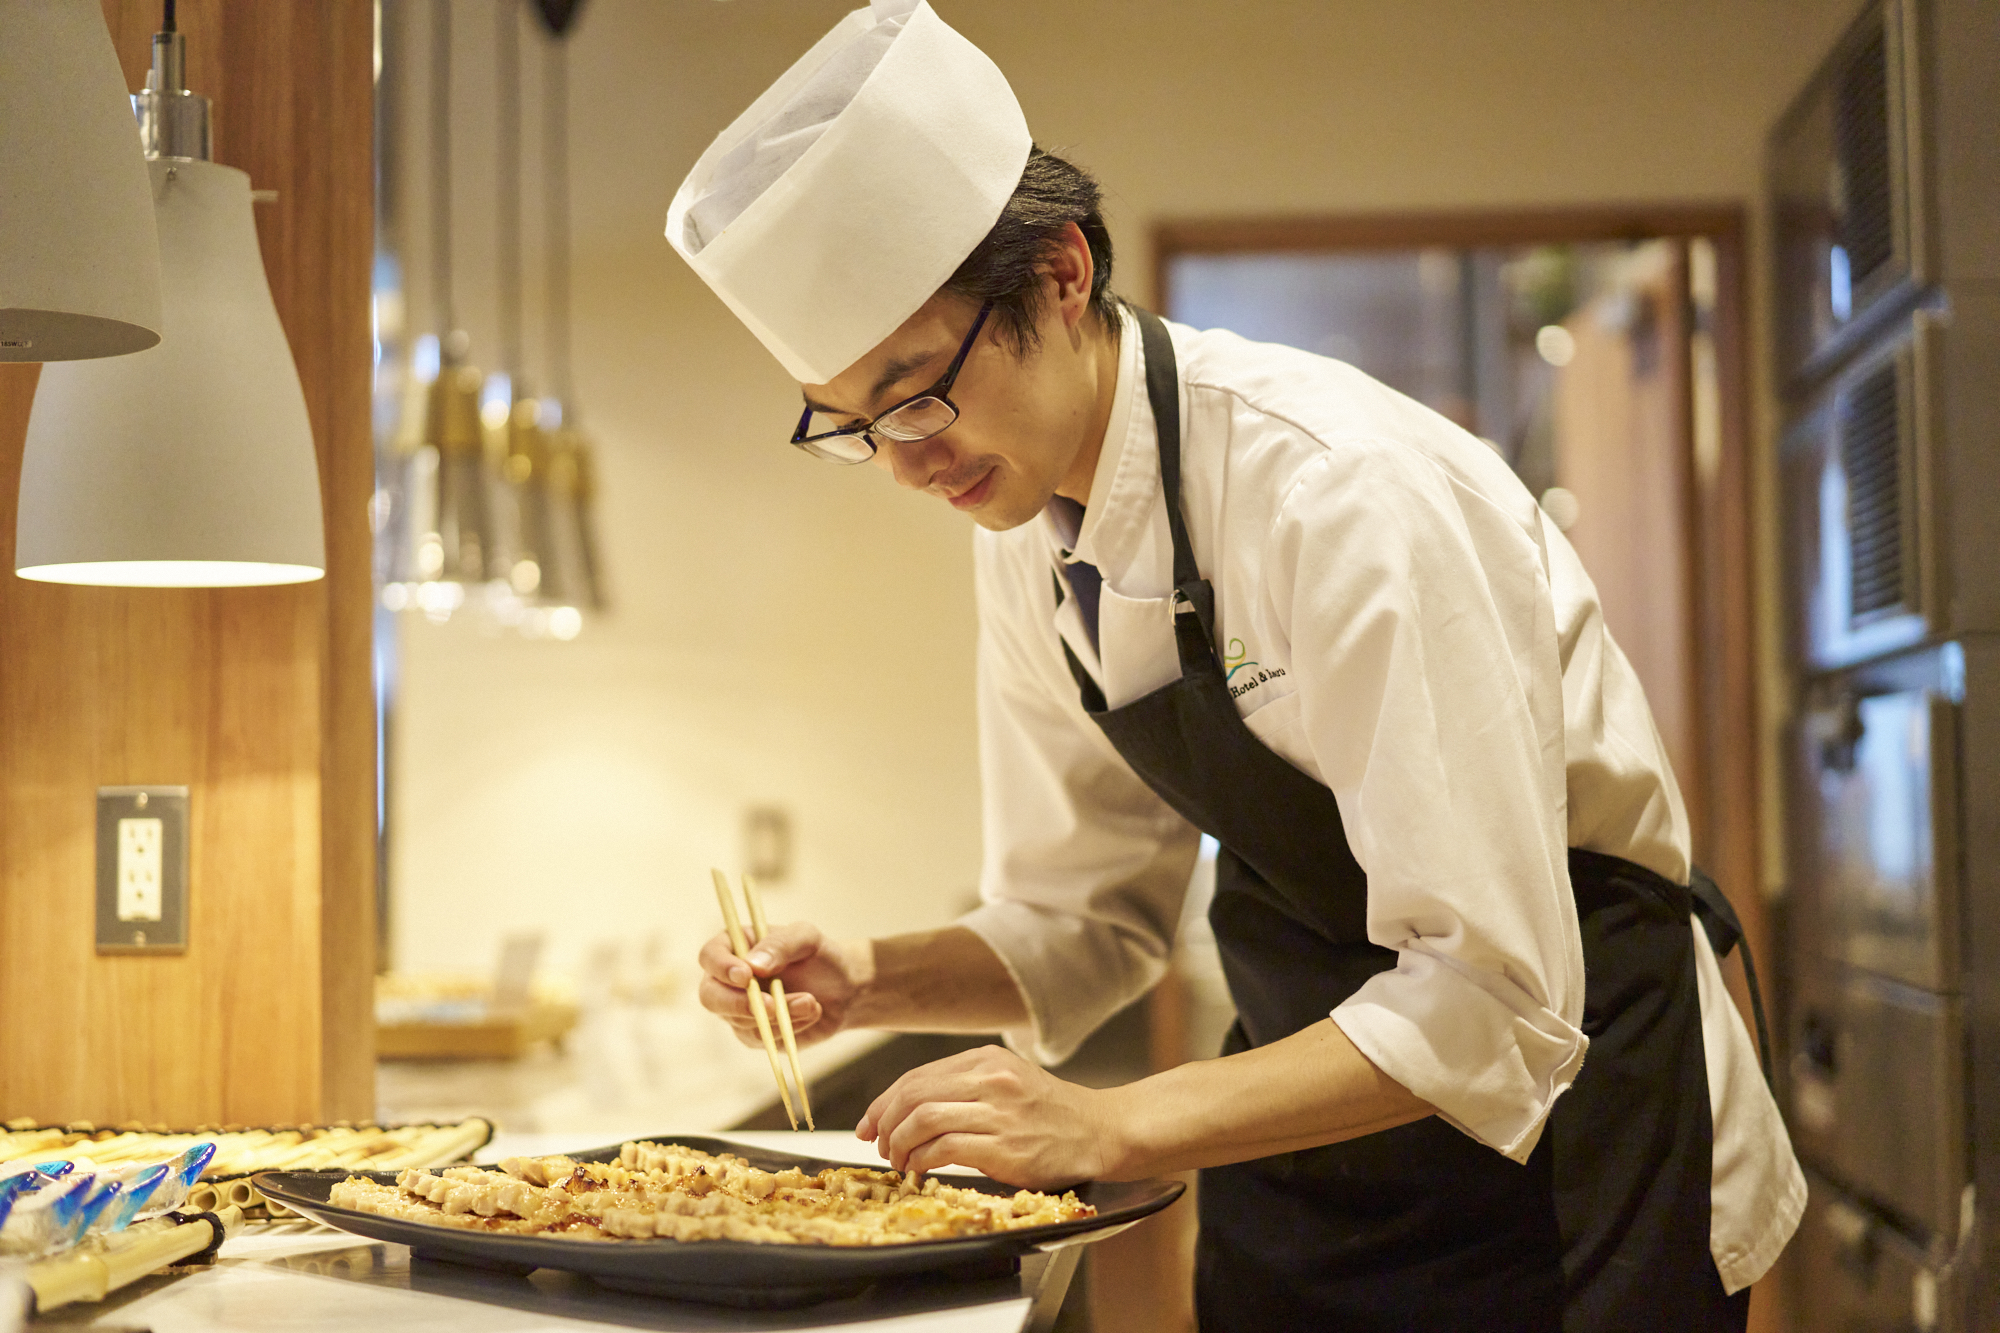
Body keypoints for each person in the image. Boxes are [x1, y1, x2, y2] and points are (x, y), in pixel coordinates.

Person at [668, 3, 1805, 1329]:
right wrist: (873, 973)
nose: (910, 462)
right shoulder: (1025, 521)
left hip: (1574, 1145)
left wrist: (1104, 1122)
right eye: (854, 425)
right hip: (1308, 1158)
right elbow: (1087, 919)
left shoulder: (1341, 494)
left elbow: (1494, 990)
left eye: (920, 391)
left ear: (1061, 275)